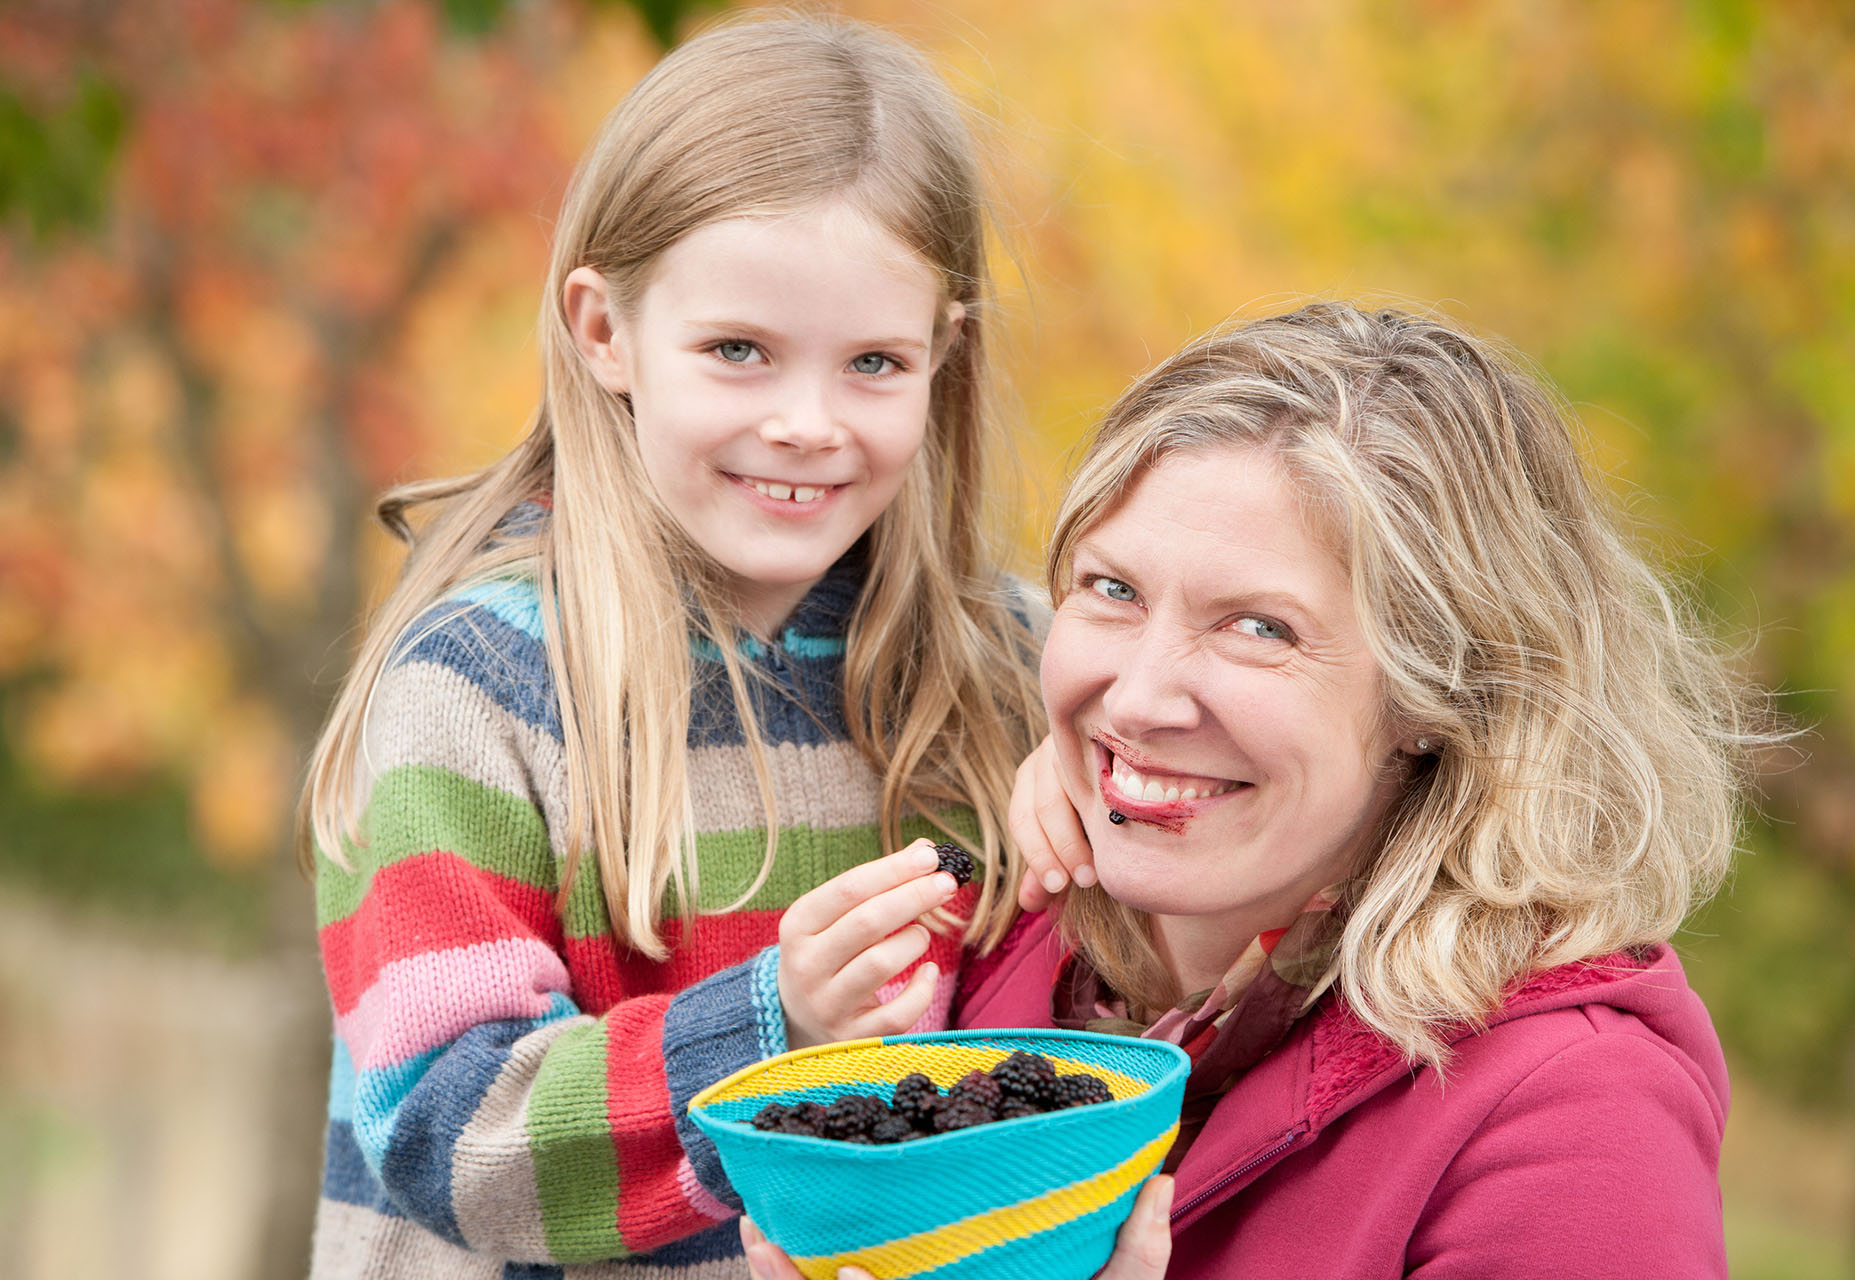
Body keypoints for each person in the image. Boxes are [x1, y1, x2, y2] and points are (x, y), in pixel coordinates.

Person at [748, 302, 1772, 1279]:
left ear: (1443, 691)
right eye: (1114, 590)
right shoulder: (996, 940)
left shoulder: (1573, 1122)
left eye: (1259, 627)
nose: (1139, 697)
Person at [298, 16, 1047, 1277]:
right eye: (738, 351)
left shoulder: (1004, 671)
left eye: (875, 362)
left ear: (944, 356)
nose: (806, 423)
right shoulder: (482, 687)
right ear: (605, 330)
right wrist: (770, 1028)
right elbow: (444, 1125)